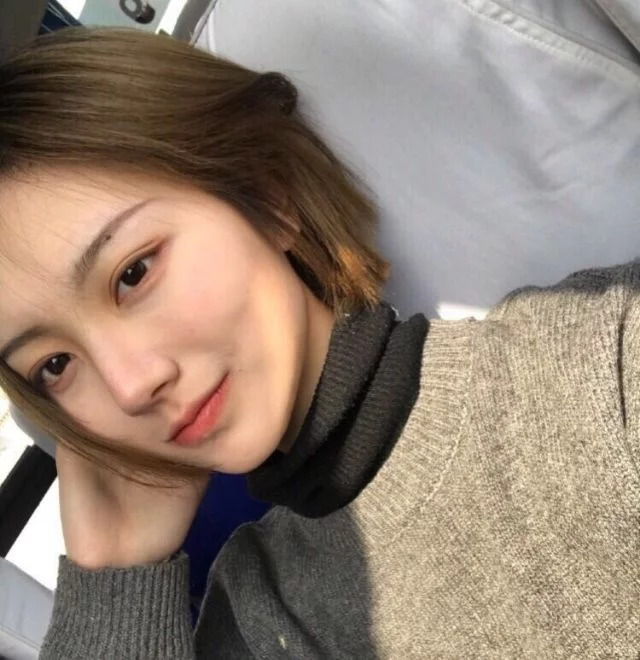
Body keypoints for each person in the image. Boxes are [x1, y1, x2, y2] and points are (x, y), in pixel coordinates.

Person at [0, 27, 637, 658]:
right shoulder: (251, 623)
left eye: (134, 273)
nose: (130, 385)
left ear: (264, 195)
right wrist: (111, 588)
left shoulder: (600, 365)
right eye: (54, 365)